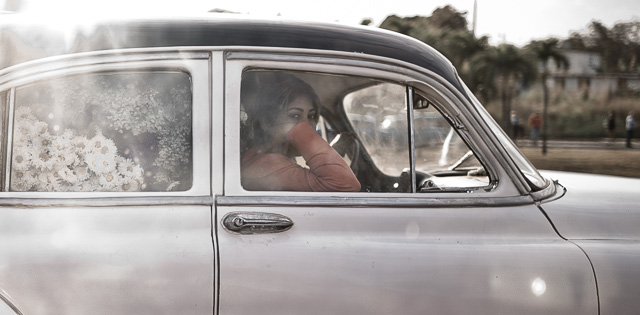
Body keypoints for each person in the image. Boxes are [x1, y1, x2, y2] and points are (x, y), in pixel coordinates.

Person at [240, 72, 361, 192]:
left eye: (312, 116)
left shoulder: (262, 158)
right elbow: (344, 184)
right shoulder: (268, 165)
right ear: (266, 122)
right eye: (295, 116)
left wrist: (332, 154)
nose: (307, 125)